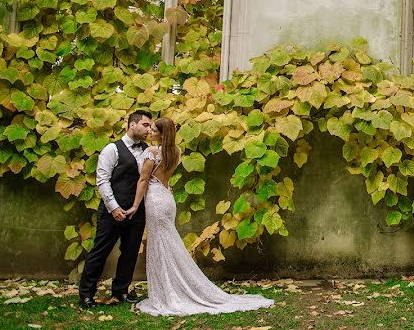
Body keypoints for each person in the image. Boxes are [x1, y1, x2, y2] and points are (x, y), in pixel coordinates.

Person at [126, 117, 275, 316]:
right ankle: (171, 287)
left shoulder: (152, 152)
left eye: (153, 130)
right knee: (167, 243)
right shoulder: (176, 152)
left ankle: (169, 291)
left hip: (154, 199)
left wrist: (135, 205)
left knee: (162, 245)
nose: (150, 133)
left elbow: (144, 179)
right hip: (167, 198)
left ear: (162, 133)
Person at [78, 110, 153, 309]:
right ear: (132, 125)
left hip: (137, 212)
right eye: (145, 125)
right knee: (100, 252)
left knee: (130, 252)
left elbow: (146, 180)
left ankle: (121, 291)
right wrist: (114, 207)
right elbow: (102, 180)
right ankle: (86, 294)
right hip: (112, 211)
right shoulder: (112, 149)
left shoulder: (147, 149)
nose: (149, 129)